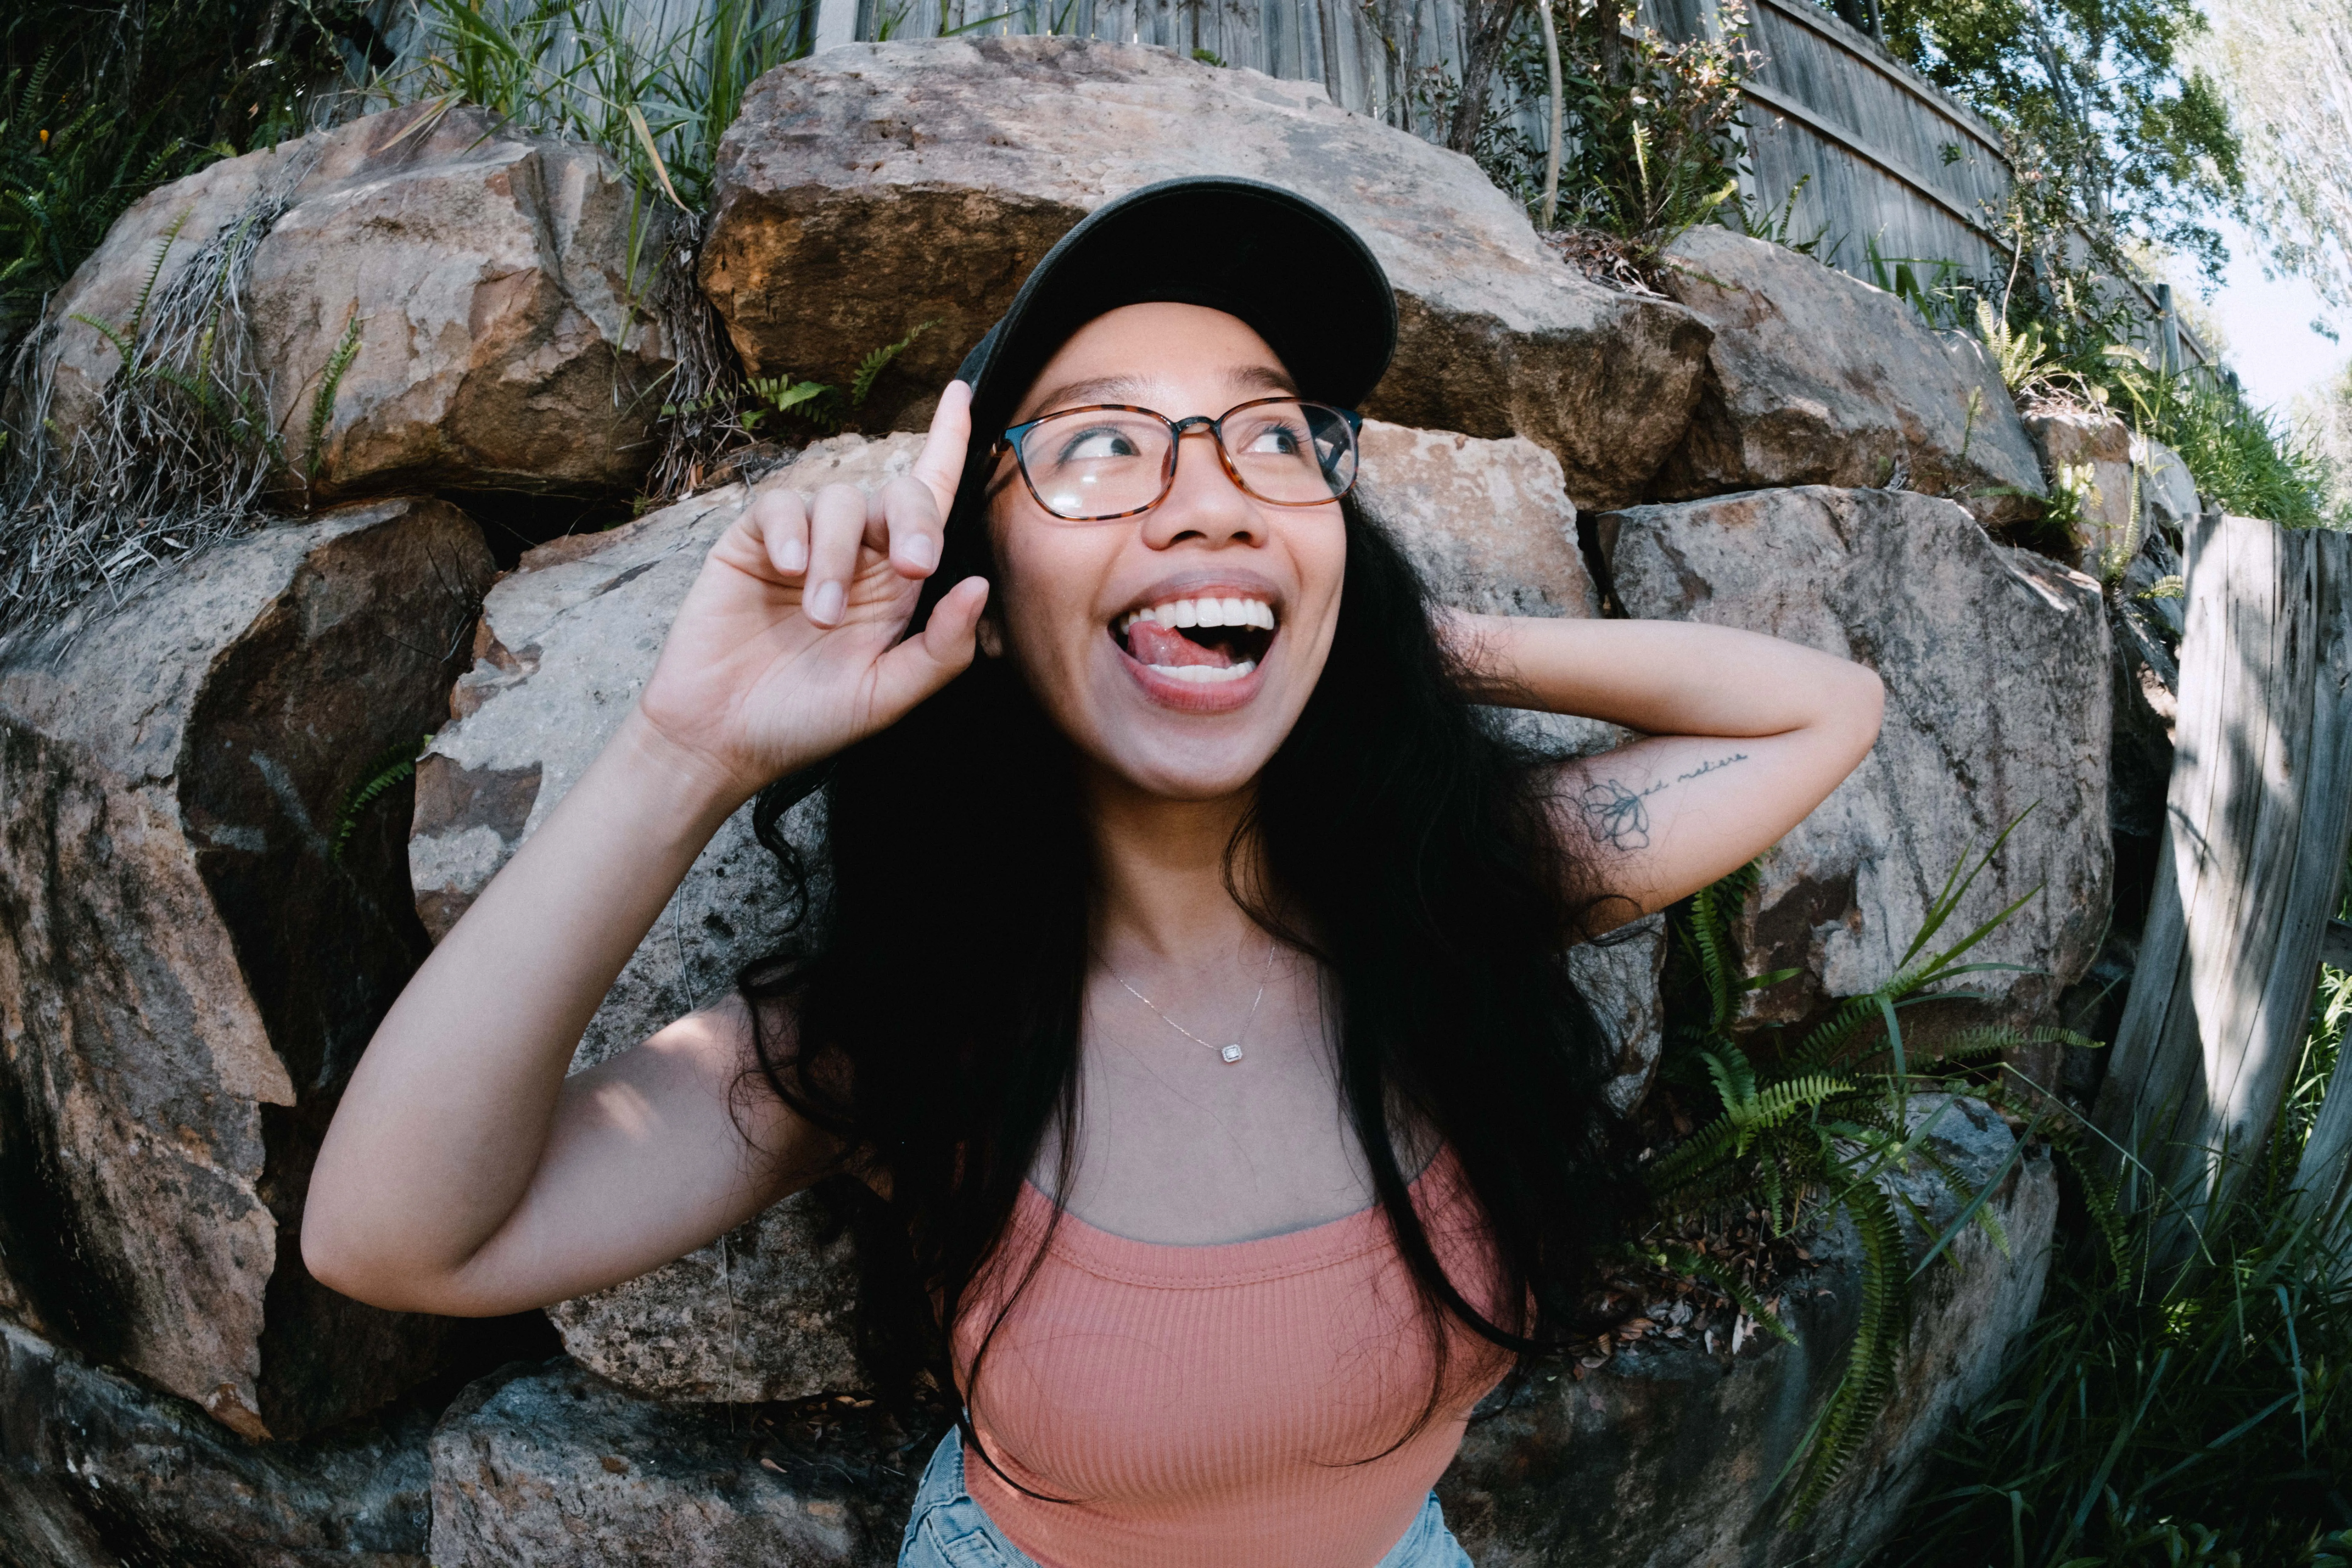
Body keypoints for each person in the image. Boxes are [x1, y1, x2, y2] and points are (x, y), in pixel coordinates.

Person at [303, 178, 1884, 1568]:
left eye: (1274, 437)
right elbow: (394, 1240)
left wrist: (1368, 638)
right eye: (1108, 446)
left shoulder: (1456, 894)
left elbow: (1822, 710)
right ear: (980, 581)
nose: (1213, 497)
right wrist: (689, 746)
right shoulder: (896, 1027)